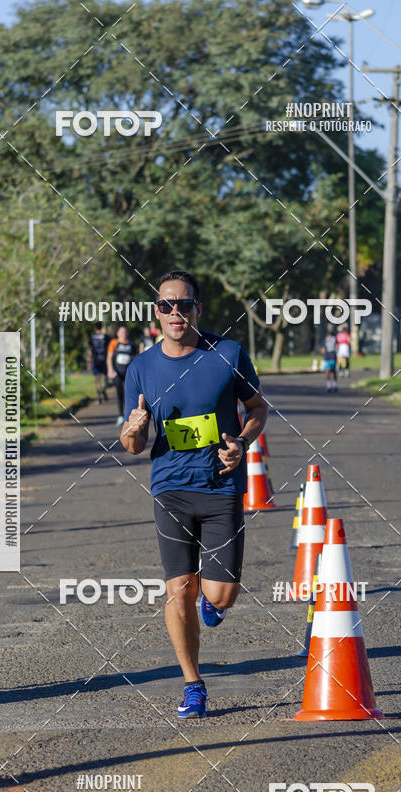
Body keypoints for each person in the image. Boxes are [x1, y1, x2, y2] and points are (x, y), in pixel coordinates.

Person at [121, 269, 267, 719]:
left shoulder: (228, 354)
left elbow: (257, 408)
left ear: (197, 309)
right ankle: (193, 685)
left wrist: (242, 442)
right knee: (178, 588)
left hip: (222, 486)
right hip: (170, 489)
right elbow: (132, 444)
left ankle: (212, 599)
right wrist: (133, 431)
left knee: (221, 595)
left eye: (184, 304)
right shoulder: (141, 368)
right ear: (156, 312)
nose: (175, 312)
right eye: (166, 305)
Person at [107, 325, 136, 425]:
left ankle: (128, 416)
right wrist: (110, 370)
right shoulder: (114, 342)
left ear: (127, 333)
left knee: (128, 394)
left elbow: (134, 359)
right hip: (117, 373)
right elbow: (109, 357)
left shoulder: (131, 344)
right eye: (121, 332)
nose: (123, 334)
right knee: (120, 393)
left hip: (128, 374)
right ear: (117, 333)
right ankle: (120, 415)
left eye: (125, 332)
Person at [87, 322, 110, 404]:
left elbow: (90, 351)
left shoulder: (92, 338)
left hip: (95, 360)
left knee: (97, 379)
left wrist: (89, 362)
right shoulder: (106, 337)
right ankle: (104, 390)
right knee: (105, 378)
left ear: (95, 328)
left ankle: (99, 397)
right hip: (105, 360)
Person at [321, 328, 338, 392]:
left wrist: (323, 355)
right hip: (333, 356)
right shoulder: (334, 339)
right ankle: (335, 385)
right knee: (333, 371)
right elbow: (337, 347)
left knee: (327, 372)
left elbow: (323, 350)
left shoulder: (325, 340)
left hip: (327, 357)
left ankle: (329, 386)